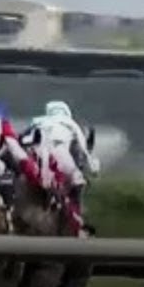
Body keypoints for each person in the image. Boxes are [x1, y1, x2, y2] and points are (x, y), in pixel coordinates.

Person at [26, 100, 101, 233]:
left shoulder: (36, 122)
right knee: (78, 182)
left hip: (34, 160)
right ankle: (78, 220)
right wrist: (93, 169)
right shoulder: (71, 124)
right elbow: (84, 151)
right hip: (60, 158)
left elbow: (23, 140)